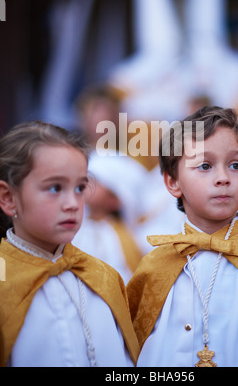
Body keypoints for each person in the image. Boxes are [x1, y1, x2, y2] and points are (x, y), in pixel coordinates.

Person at [127, 106, 238, 367]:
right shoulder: (153, 268)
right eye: (205, 165)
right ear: (173, 182)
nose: (223, 178)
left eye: (235, 165)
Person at [0, 121, 139, 367]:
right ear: (8, 198)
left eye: (80, 188)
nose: (73, 203)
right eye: (55, 188)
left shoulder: (103, 277)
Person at [73, 151, 144, 284]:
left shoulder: (122, 239)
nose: (86, 183)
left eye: (96, 181)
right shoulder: (74, 223)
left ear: (115, 201)